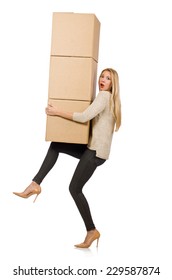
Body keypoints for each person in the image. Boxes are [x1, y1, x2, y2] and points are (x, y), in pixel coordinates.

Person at [13, 68, 121, 248]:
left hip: (95, 153)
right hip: (92, 148)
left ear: (113, 84)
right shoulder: (107, 98)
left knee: (74, 188)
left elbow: (84, 117)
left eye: (107, 78)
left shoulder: (104, 96)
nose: (102, 79)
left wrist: (57, 112)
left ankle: (91, 231)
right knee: (56, 144)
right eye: (102, 76)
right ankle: (35, 184)